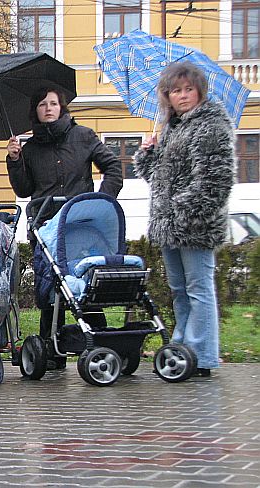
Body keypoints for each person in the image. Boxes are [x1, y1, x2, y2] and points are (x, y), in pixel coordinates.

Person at [6, 85, 123, 368]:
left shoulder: (83, 136)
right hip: (46, 226)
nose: (48, 109)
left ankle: (100, 343)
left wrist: (99, 202)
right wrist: (15, 161)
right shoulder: (30, 149)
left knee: (85, 285)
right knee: (50, 287)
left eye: (53, 103)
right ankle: (50, 349)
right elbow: (24, 190)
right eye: (42, 104)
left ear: (62, 107)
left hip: (80, 226)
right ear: (35, 111)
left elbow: (113, 169)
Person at [133, 61, 236, 378]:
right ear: (167, 96)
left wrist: (184, 211)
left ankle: (201, 355)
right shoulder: (171, 129)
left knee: (199, 290)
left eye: (189, 89)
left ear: (200, 92)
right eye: (176, 90)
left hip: (194, 226)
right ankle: (182, 350)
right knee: (179, 290)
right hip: (168, 226)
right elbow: (158, 179)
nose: (183, 95)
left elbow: (216, 181)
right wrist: (148, 154)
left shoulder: (211, 126)